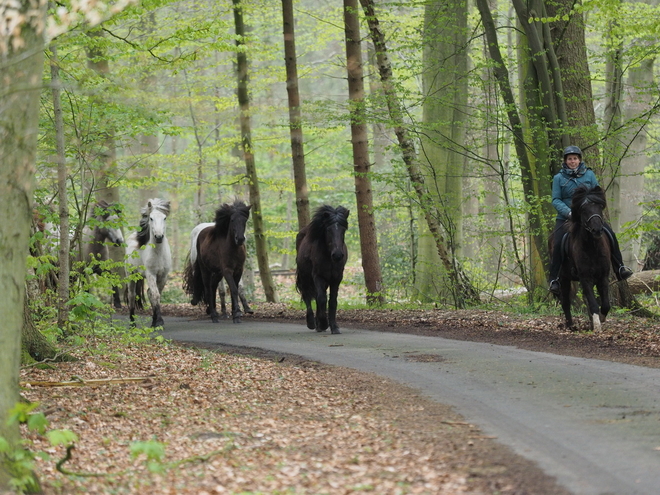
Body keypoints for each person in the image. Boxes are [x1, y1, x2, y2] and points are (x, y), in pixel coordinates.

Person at [548, 145, 633, 295]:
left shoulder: (589, 175)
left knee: (610, 235)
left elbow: (598, 194)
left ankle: (620, 268)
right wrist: (569, 212)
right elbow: (555, 200)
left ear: (579, 160)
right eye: (569, 159)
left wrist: (596, 210)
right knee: (559, 242)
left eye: (575, 158)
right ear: (565, 161)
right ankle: (554, 279)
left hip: (589, 216)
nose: (572, 161)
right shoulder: (558, 178)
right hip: (566, 217)